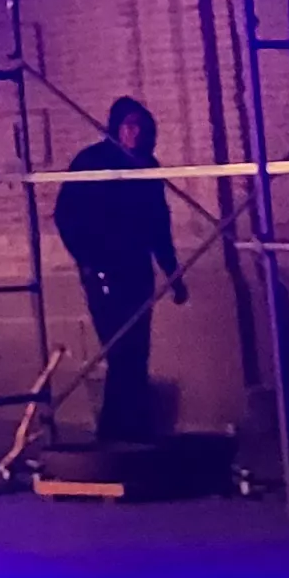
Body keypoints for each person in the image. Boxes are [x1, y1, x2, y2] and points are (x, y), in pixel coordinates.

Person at [51, 97, 189, 443]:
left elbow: (159, 224)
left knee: (137, 350)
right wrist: (88, 260)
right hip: (103, 271)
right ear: (116, 127)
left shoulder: (147, 167)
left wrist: (172, 272)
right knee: (119, 348)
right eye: (129, 125)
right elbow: (66, 215)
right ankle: (115, 430)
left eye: (140, 126)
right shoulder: (92, 162)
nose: (135, 133)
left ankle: (132, 429)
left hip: (137, 270)